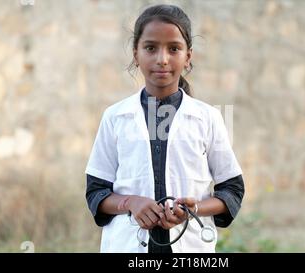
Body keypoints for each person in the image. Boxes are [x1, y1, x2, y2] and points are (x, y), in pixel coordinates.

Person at [85, 4, 244, 253]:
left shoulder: (208, 118)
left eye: (174, 49)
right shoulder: (115, 117)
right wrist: (130, 203)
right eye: (150, 48)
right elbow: (96, 193)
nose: (162, 59)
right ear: (136, 54)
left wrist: (193, 210)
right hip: (128, 247)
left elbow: (232, 191)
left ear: (188, 56)